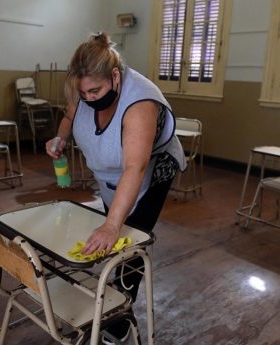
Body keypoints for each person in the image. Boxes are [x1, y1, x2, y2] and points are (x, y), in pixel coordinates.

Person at [46, 32, 186, 344]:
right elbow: (70, 115)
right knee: (115, 241)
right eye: (84, 93)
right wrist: (61, 139)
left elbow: (134, 168)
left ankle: (118, 318)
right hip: (111, 175)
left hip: (150, 173)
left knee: (129, 242)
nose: (90, 97)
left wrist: (111, 224)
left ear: (115, 76)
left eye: (96, 90)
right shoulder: (82, 88)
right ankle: (110, 299)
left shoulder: (140, 103)